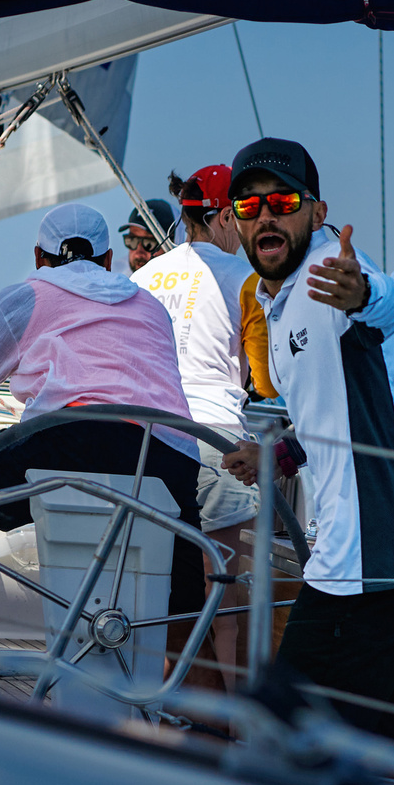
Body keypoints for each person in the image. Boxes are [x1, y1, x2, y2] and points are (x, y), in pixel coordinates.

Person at [231, 137, 394, 748]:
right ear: (235, 220)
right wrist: (280, 454)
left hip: (378, 546)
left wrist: (363, 294)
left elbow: (384, 304)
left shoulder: (332, 275)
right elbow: (329, 412)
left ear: (317, 211)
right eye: (249, 206)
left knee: (283, 739)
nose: (266, 216)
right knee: (390, 743)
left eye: (282, 202)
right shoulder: (276, 301)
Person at [0, 202, 204, 637]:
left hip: (72, 441)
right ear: (108, 260)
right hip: (169, 454)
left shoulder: (29, 295)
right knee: (185, 623)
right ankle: (195, 673)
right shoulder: (150, 305)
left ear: (38, 257)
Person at [132, 166, 258, 685]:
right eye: (243, 213)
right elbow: (264, 377)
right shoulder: (246, 279)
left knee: (157, 585)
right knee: (224, 592)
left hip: (148, 439)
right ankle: (233, 713)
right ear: (223, 216)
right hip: (216, 438)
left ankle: (163, 706)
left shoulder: (143, 277)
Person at [121, 198, 177, 273]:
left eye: (149, 244)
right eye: (132, 241)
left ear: (173, 242)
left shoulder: (189, 278)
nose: (138, 254)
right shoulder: (116, 275)